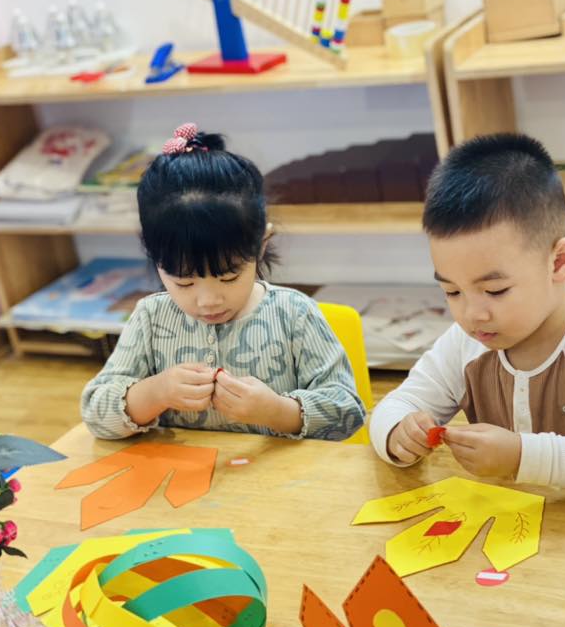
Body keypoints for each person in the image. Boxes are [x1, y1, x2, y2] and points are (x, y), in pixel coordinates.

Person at [370, 133, 565, 495]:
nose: (472, 314)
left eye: (495, 290)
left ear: (559, 262)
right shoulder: (464, 346)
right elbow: (395, 406)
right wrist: (399, 434)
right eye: (452, 291)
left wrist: (522, 456)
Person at [82, 123, 366, 441]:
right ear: (156, 260)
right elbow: (95, 414)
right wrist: (155, 393)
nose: (208, 301)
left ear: (261, 245)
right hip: (179, 471)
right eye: (184, 282)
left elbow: (348, 415)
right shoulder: (151, 318)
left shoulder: (294, 315)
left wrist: (277, 411)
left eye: (229, 276)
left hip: (277, 472)